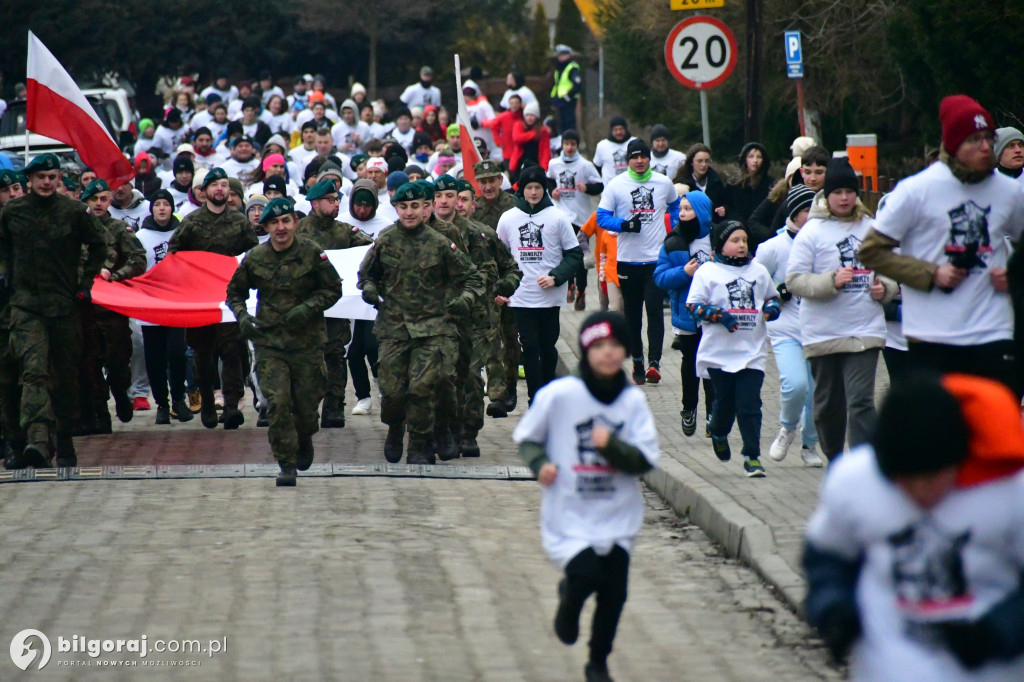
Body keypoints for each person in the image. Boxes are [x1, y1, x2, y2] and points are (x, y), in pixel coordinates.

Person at [803, 372, 1024, 680]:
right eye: (908, 480)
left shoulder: (1009, 488)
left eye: (933, 478)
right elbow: (827, 556)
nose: (921, 492)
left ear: (959, 461)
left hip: (990, 667)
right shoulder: (855, 481)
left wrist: (999, 632)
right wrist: (834, 608)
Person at [513, 311, 659, 682]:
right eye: (598, 346)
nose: (607, 353)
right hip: (571, 512)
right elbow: (528, 437)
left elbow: (644, 459)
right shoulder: (560, 394)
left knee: (614, 595)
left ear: (625, 351)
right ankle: (569, 604)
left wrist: (612, 447)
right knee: (585, 573)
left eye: (615, 346)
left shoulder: (633, 402)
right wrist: (540, 463)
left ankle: (598, 662)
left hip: (617, 514)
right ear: (584, 350)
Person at [861, 95, 1024, 395]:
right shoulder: (917, 191)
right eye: (974, 140)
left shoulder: (1009, 192)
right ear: (953, 144)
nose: (985, 147)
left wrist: (1014, 274)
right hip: (933, 335)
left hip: (992, 331)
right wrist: (930, 273)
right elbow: (871, 250)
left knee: (992, 428)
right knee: (943, 434)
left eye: (988, 138)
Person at [357, 182, 483, 464]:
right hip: (393, 328)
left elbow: (472, 278)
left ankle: (419, 444)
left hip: (432, 328)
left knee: (422, 388)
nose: (410, 212)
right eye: (404, 207)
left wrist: (465, 300)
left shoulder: (440, 243)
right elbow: (366, 275)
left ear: (426, 207)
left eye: (416, 206)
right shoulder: (386, 240)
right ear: (396, 209)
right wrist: (369, 289)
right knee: (391, 392)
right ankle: (394, 426)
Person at [0, 154, 107, 468]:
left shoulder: (75, 213)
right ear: (30, 180)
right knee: (33, 371)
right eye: (41, 177)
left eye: (52, 176)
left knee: (64, 378)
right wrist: (5, 270)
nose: (47, 182)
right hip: (25, 306)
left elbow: (99, 244)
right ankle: (38, 439)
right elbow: (2, 244)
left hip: (63, 307)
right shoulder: (12, 213)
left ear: (59, 178)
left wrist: (86, 281)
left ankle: (64, 439)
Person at [786, 157, 896, 462]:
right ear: (827, 194)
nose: (845, 198)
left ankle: (864, 465)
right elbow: (794, 280)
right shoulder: (812, 232)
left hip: (865, 329)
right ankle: (835, 458)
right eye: (838, 192)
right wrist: (829, 281)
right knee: (827, 404)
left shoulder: (871, 227)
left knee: (860, 401)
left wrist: (884, 288)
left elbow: (890, 271)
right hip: (823, 331)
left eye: (850, 191)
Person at [227, 198, 341, 486]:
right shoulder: (255, 257)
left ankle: (304, 436)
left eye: (286, 221)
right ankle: (286, 463)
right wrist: (241, 316)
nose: (281, 227)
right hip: (270, 342)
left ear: (295, 223)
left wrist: (309, 307)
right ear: (265, 226)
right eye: (275, 223)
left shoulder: (313, 254)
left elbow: (333, 289)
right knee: (277, 403)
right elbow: (234, 292)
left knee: (305, 408)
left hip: (307, 343)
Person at [685, 220, 779, 477]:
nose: (741, 245)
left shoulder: (758, 271)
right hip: (719, 353)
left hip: (752, 352)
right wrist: (717, 315)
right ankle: (718, 431)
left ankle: (752, 456)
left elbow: (771, 297)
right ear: (720, 245)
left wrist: (771, 309)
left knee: (750, 405)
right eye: (734, 240)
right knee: (724, 404)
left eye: (744, 240)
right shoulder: (708, 272)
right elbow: (692, 306)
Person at [435, 175, 522, 453]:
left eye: (455, 197)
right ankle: (444, 429)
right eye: (443, 197)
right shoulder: (426, 234)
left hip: (475, 320)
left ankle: (468, 432)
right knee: (442, 377)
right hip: (437, 319)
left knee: (471, 376)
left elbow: (511, 268)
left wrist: (500, 288)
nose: (450, 203)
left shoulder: (480, 234)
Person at [169, 167, 258, 429]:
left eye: (223, 184)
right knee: (202, 356)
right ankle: (207, 402)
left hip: (231, 300)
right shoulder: (192, 222)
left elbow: (253, 254)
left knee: (232, 353)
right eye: (214, 185)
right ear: (203, 191)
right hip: (200, 301)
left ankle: (231, 406)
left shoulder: (240, 221)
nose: (220, 189)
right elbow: (174, 253)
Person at [496, 165, 583, 405]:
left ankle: (548, 389)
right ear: (521, 189)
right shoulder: (508, 218)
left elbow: (574, 255)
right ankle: (536, 397)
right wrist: (501, 288)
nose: (533, 192)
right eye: (529, 188)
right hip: (520, 295)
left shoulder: (557, 217)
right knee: (530, 346)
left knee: (547, 346)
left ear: (544, 189)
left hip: (549, 296)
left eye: (537, 187)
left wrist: (556, 276)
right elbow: (498, 256)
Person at [596, 139, 680, 385]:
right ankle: (637, 362)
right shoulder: (616, 185)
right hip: (627, 261)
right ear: (628, 160)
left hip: (655, 260)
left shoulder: (663, 183)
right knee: (633, 315)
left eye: (644, 156)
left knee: (654, 310)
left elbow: (675, 206)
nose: (640, 160)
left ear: (650, 158)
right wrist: (623, 225)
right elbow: (602, 218)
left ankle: (654, 363)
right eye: (635, 157)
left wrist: (674, 226)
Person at [752, 185, 823, 467]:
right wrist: (775, 294)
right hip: (785, 330)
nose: (813, 215)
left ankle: (810, 445)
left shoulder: (823, 243)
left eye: (816, 209)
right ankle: (787, 428)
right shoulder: (772, 247)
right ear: (793, 212)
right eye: (807, 210)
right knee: (795, 385)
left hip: (819, 330)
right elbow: (753, 284)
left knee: (818, 394)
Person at [296, 179, 374, 427]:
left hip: (337, 309)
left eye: (337, 199)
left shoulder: (344, 232)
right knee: (307, 358)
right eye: (330, 200)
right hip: (306, 309)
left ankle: (334, 406)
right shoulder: (299, 231)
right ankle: (307, 406)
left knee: (335, 356)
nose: (336, 203)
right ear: (315, 202)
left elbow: (372, 251)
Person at [79, 179, 147, 432]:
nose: (99, 203)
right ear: (86, 200)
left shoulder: (118, 229)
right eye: (94, 199)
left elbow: (139, 259)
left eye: (104, 199)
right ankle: (100, 414)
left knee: (118, 363)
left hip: (112, 311)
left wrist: (116, 276)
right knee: (90, 364)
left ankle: (120, 393)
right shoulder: (76, 227)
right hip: (84, 308)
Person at [654, 190, 715, 439]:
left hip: (714, 314)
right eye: (681, 209)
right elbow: (659, 277)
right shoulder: (674, 241)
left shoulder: (719, 237)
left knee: (711, 363)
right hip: (687, 313)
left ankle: (714, 414)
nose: (683, 213)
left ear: (701, 212)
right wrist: (684, 272)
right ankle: (689, 408)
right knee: (691, 364)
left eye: (689, 209)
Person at [136, 189, 194, 424]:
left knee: (177, 352)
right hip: (150, 303)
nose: (162, 208)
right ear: (151, 208)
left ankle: (179, 399)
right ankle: (162, 404)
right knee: (154, 357)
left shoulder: (182, 233)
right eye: (157, 204)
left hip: (176, 302)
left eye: (166, 204)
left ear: (172, 208)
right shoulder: (141, 236)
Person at [474, 159, 520, 411]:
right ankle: (497, 395)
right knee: (490, 341)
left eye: (492, 180)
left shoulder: (513, 206)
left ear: (500, 181)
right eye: (483, 181)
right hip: (484, 284)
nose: (488, 185)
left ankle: (510, 387)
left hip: (510, 279)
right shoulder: (474, 209)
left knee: (510, 339)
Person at [548, 130, 603, 311]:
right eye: (567, 144)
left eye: (573, 144)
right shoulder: (554, 164)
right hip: (562, 215)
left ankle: (582, 290)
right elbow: (548, 181)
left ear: (577, 145)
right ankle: (569, 284)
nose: (570, 147)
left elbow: (599, 185)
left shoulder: (585, 165)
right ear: (562, 145)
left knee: (581, 259)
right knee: (564, 254)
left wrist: (587, 187)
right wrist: (552, 191)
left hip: (582, 217)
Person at [725, 142, 773, 229]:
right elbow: (728, 208)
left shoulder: (771, 184)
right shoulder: (733, 185)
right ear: (745, 159)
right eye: (751, 156)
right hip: (740, 230)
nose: (755, 160)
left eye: (759, 157)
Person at [675, 144, 726, 221]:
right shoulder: (682, 183)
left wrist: (724, 209)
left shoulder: (716, 181)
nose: (704, 165)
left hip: (713, 225)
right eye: (699, 161)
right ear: (691, 162)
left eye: (707, 161)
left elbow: (725, 203)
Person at [550, 44, 582, 135]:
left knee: (569, 124)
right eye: (559, 55)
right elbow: (557, 86)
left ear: (568, 55)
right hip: (560, 102)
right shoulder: (559, 69)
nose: (560, 57)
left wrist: (567, 97)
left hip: (569, 101)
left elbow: (577, 85)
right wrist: (554, 100)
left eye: (563, 55)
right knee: (561, 125)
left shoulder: (572, 68)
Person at [592, 117, 634, 186]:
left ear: (625, 129)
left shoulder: (634, 142)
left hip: (630, 187)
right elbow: (596, 167)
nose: (618, 132)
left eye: (621, 129)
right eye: (615, 129)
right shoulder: (602, 145)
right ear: (611, 130)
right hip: (609, 189)